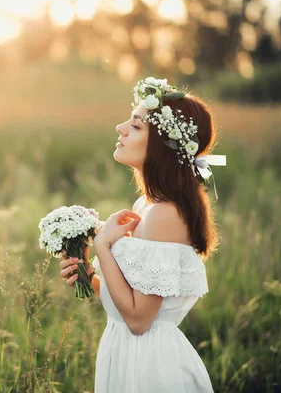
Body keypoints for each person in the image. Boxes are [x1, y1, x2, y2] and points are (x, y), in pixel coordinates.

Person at [59, 77, 226, 392]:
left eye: (136, 126)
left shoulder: (166, 214)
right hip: (125, 353)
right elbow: (129, 304)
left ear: (163, 146)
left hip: (150, 368)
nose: (121, 128)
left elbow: (139, 321)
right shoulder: (147, 205)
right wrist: (88, 274)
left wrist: (103, 245)